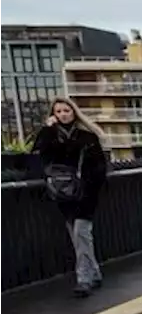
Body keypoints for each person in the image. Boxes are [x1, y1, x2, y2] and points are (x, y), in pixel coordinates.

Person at [33, 98, 108, 297]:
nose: (63, 114)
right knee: (78, 238)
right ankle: (95, 273)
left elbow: (100, 167)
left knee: (80, 233)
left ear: (74, 112)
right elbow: (38, 153)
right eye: (58, 111)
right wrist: (47, 129)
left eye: (66, 110)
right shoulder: (52, 137)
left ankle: (84, 279)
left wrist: (91, 189)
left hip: (85, 194)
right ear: (53, 114)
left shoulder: (87, 137)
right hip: (64, 195)